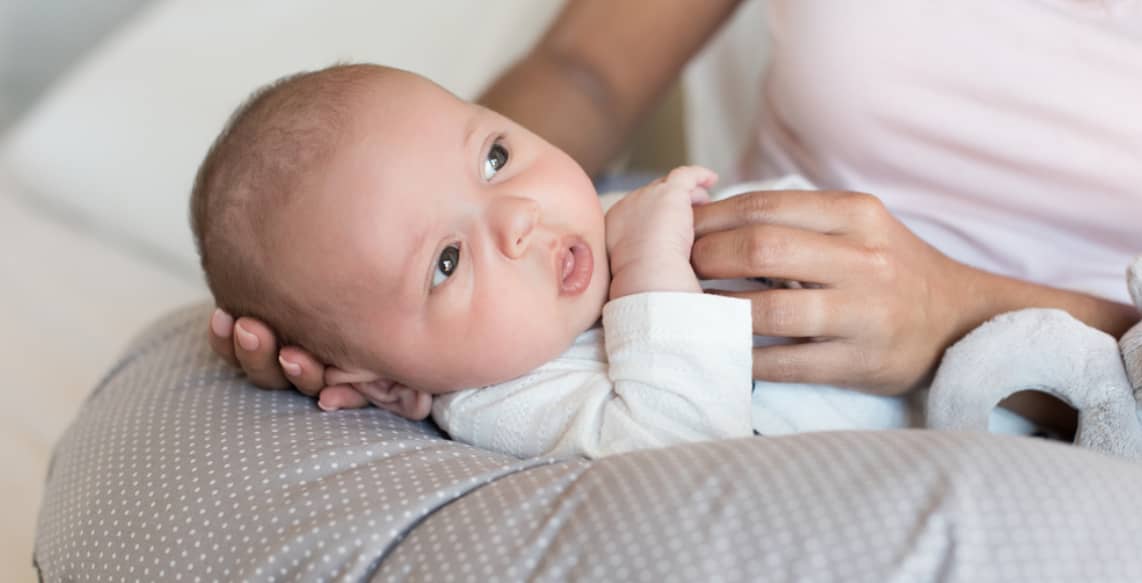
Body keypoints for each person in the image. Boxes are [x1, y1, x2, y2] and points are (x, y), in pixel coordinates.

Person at [206, 0, 1141, 433]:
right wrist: (351, 275)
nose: (518, 217)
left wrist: (957, 313)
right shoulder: (527, 311)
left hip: (1074, 396)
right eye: (495, 152)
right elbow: (589, 71)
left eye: (499, 162)